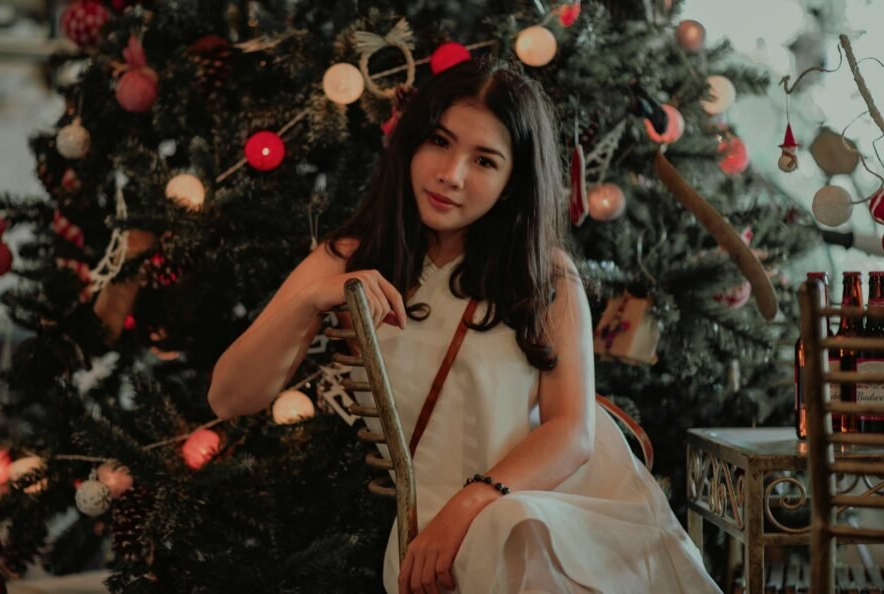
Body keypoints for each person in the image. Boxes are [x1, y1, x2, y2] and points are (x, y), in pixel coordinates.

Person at [209, 57, 721, 594]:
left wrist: (470, 504)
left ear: (510, 182)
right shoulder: (348, 259)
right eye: (439, 141)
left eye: (484, 160)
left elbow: (572, 432)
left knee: (515, 530)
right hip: (428, 537)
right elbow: (228, 396)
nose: (451, 175)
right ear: (412, 143)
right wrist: (310, 301)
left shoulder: (544, 274)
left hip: (547, 506)